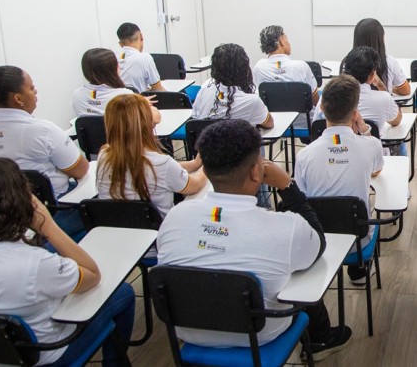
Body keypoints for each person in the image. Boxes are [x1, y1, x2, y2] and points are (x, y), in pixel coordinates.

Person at [156, 119, 351, 357]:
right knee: (301, 270)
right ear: (256, 171)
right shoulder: (284, 227)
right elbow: (318, 243)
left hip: (187, 330)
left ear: (204, 168)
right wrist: (287, 186)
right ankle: (321, 339)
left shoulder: (175, 217)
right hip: (260, 332)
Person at [0, 157, 135, 366]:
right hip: (46, 356)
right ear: (18, 201)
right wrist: (49, 227)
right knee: (124, 293)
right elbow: (92, 275)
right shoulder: (34, 263)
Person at [294, 74, 384, 285]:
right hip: (358, 241)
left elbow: (301, 197)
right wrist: (365, 130)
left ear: (322, 109)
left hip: (317, 240)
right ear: (355, 114)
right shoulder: (370, 145)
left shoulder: (304, 155)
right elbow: (377, 171)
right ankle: (359, 272)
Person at [0, 66, 88, 235]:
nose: (35, 91)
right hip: (51, 213)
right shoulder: (44, 131)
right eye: (31, 88)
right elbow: (81, 170)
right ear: (18, 98)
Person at [97, 94, 207, 223]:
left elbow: (161, 172)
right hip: (160, 228)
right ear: (146, 123)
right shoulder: (161, 164)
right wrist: (208, 164)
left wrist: (194, 164)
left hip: (117, 226)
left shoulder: (104, 154)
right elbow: (195, 185)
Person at [318, 46, 401, 137]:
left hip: (332, 145)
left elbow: (316, 125)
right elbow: (396, 120)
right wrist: (381, 86)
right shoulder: (384, 98)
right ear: (372, 74)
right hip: (368, 148)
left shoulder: (327, 97)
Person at [192, 42, 274, 129]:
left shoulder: (204, 91)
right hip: (239, 142)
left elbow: (195, 119)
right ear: (244, 69)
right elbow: (269, 124)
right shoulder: (252, 101)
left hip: (207, 141)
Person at [72, 48, 161, 121]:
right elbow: (156, 119)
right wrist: (141, 103)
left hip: (92, 143)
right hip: (122, 142)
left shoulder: (77, 95)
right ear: (113, 68)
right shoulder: (125, 96)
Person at [353, 18, 411, 96]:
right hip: (382, 106)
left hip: (354, 106)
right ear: (380, 39)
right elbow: (405, 90)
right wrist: (390, 88)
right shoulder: (389, 62)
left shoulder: (346, 62)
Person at [117, 22, 164, 92]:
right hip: (137, 101)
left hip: (116, 101)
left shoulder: (113, 58)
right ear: (141, 36)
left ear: (120, 44)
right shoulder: (145, 58)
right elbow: (158, 89)